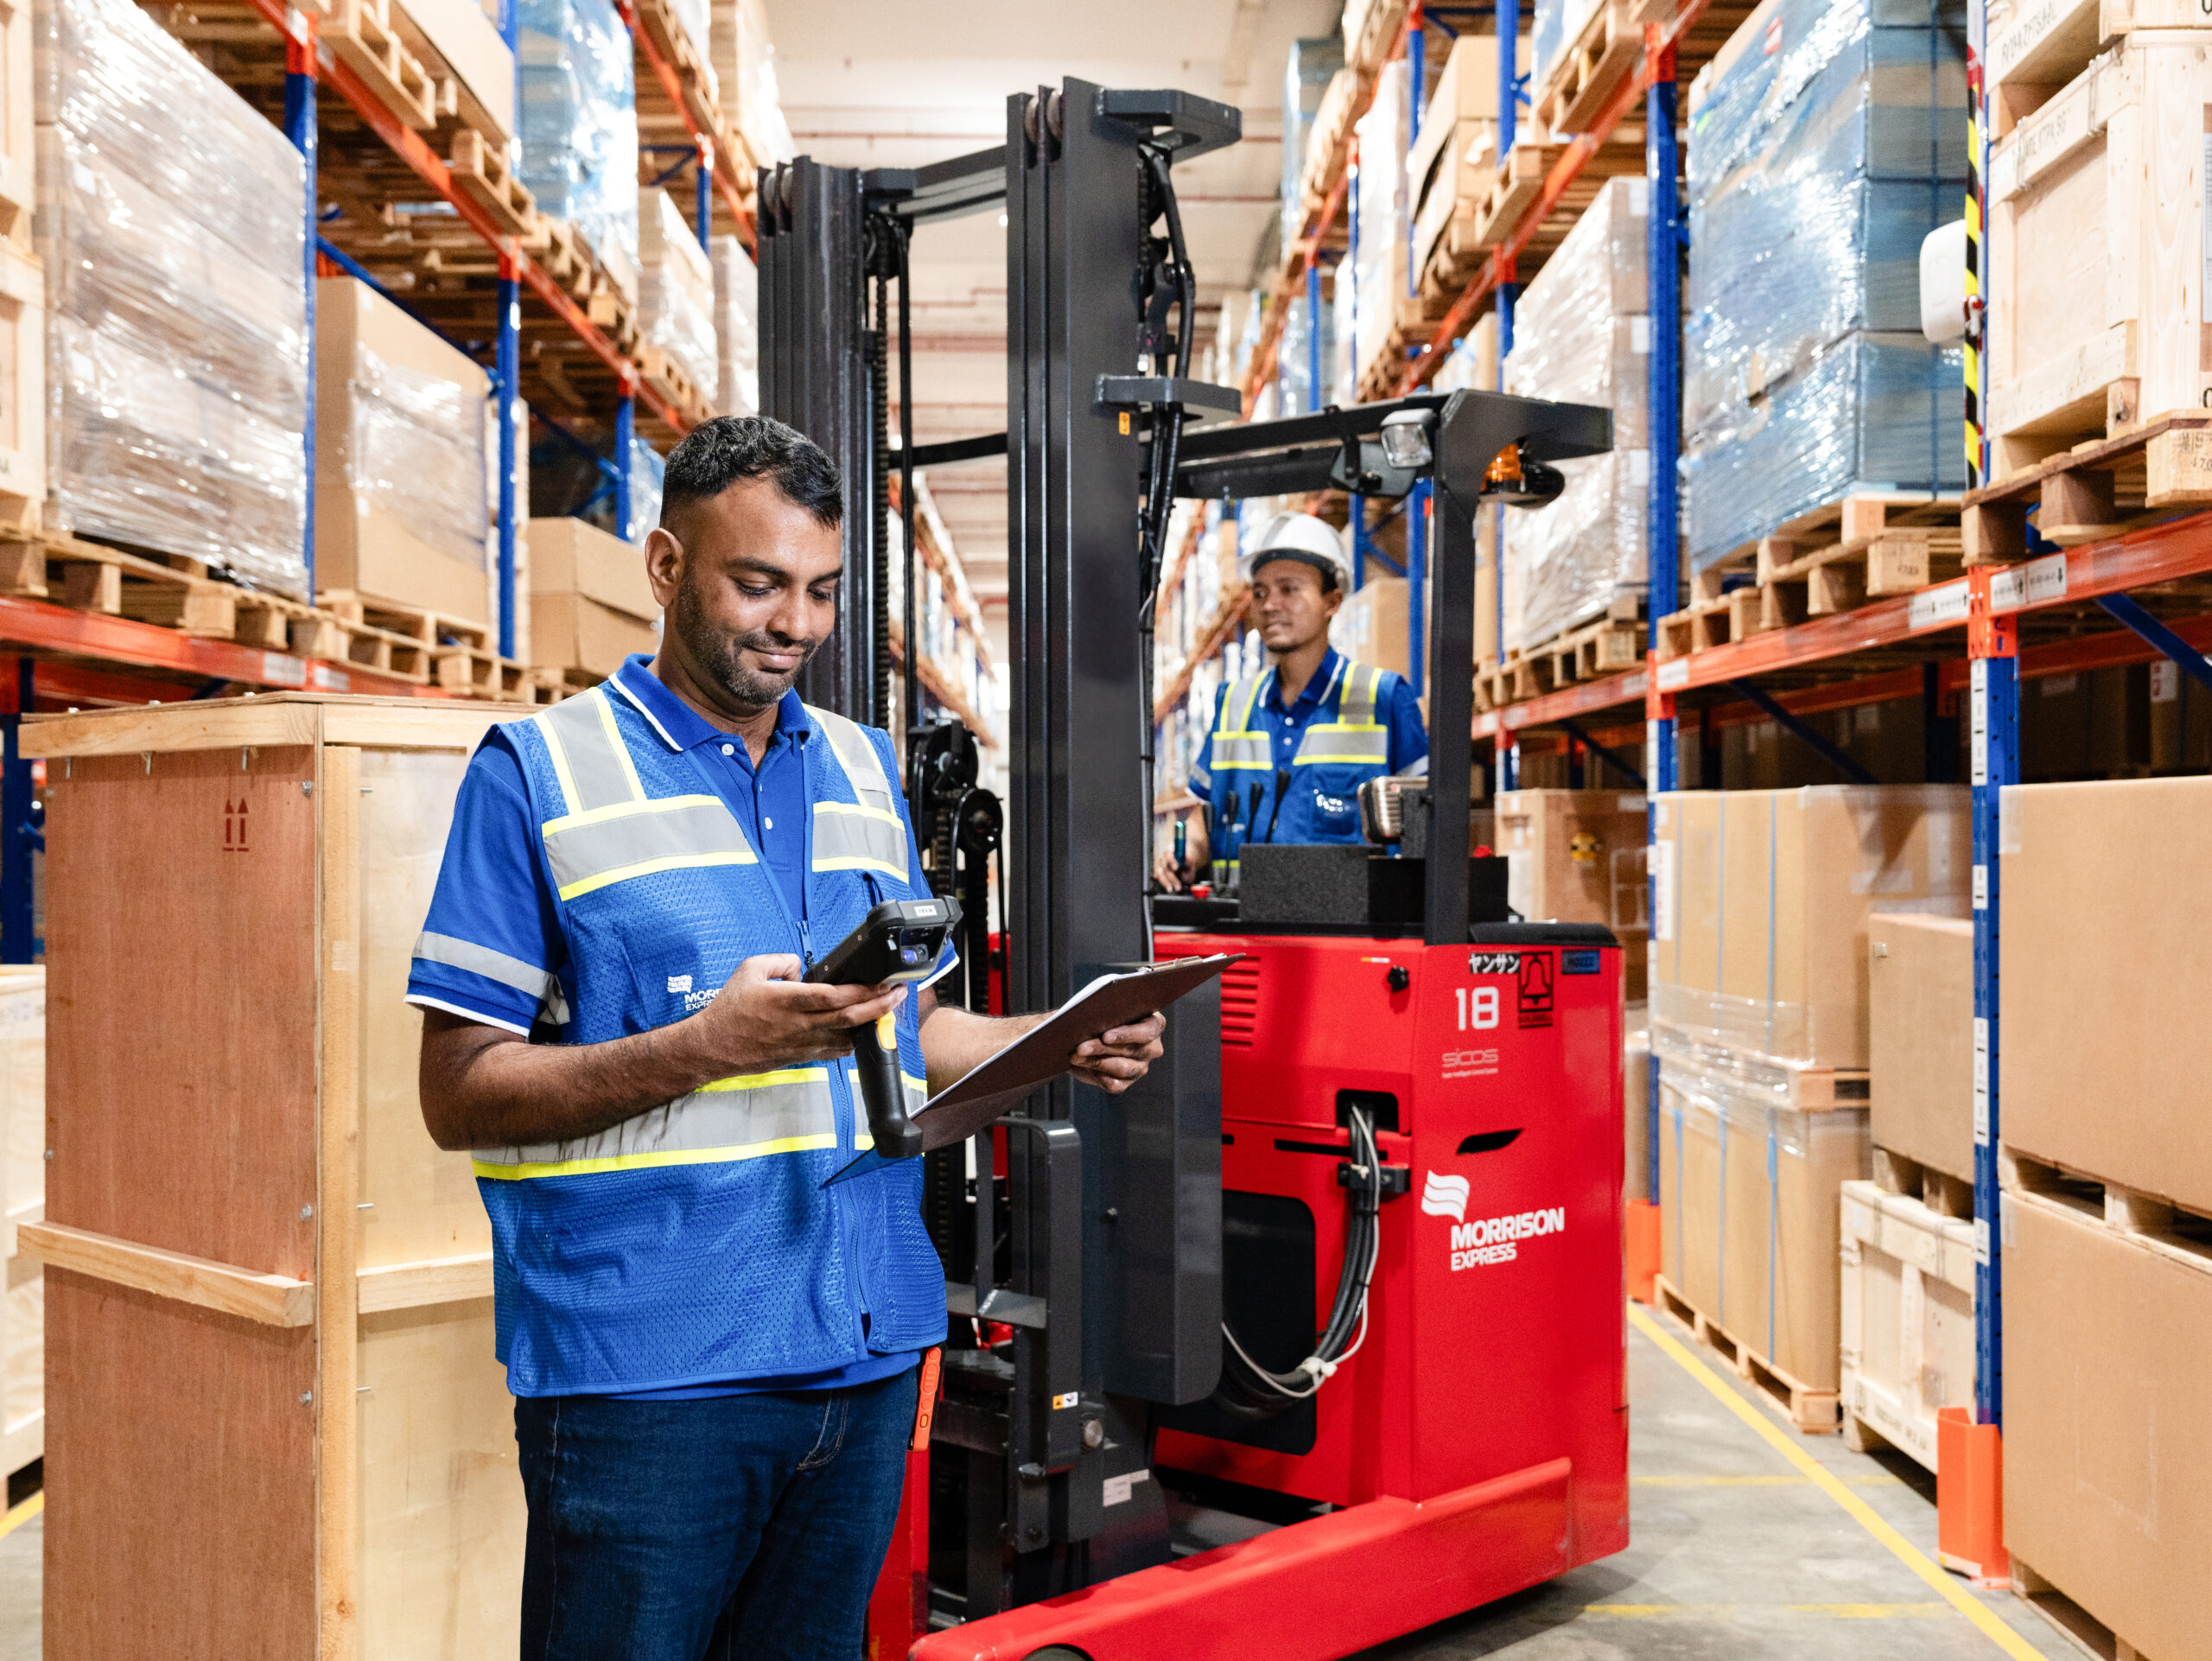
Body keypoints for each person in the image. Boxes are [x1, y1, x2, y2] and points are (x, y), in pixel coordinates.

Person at [407, 416, 1166, 1660]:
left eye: (819, 592)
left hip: (861, 1353)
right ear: (664, 566)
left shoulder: (865, 772)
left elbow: (908, 1030)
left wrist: (1054, 1039)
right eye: (756, 583)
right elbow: (458, 1090)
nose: (795, 624)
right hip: (650, 1377)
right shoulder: (540, 772)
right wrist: (706, 1043)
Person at [1155, 512, 1427, 890]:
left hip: (1344, 938)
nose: (1269, 605)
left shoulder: (1384, 698)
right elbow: (1204, 815)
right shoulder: (1233, 703)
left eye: (1289, 589)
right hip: (1241, 931)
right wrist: (1187, 853)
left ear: (1332, 601)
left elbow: (1427, 828)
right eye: (1261, 592)